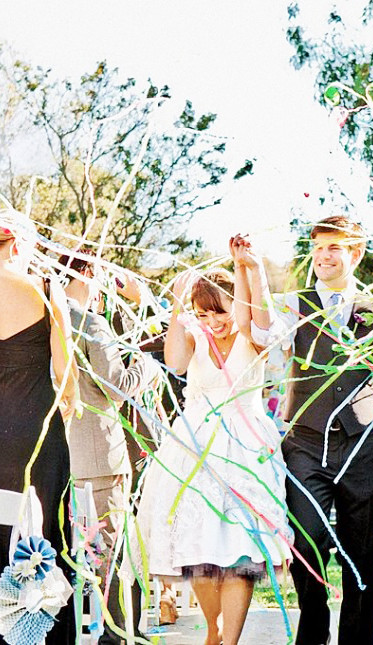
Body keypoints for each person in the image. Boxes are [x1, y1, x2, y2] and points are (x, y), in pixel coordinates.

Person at [244, 216, 373, 645]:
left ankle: (356, 640)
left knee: (361, 556)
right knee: (307, 544)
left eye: (333, 248)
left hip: (363, 446)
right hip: (305, 443)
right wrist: (252, 271)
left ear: (355, 253)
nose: (323, 256)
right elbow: (264, 333)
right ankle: (314, 627)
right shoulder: (293, 303)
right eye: (318, 247)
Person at [123, 246, 293, 645]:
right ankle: (213, 629)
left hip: (245, 447)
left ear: (236, 304)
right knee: (195, 546)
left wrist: (248, 268)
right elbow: (177, 363)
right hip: (193, 448)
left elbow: (261, 317)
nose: (212, 321)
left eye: (219, 311)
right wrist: (180, 309)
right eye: (204, 313)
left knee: (240, 550)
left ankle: (229, 640)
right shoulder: (195, 333)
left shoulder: (253, 334)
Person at [59, 250, 160, 644]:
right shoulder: (89, 322)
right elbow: (116, 386)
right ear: (89, 275)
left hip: (64, 457)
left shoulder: (48, 318)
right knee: (112, 553)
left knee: (78, 553)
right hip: (101, 456)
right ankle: (119, 636)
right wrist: (148, 369)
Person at [0, 208, 78, 644]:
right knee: (40, 530)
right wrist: (69, 405)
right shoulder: (48, 290)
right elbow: (67, 377)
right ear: (18, 244)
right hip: (36, 434)